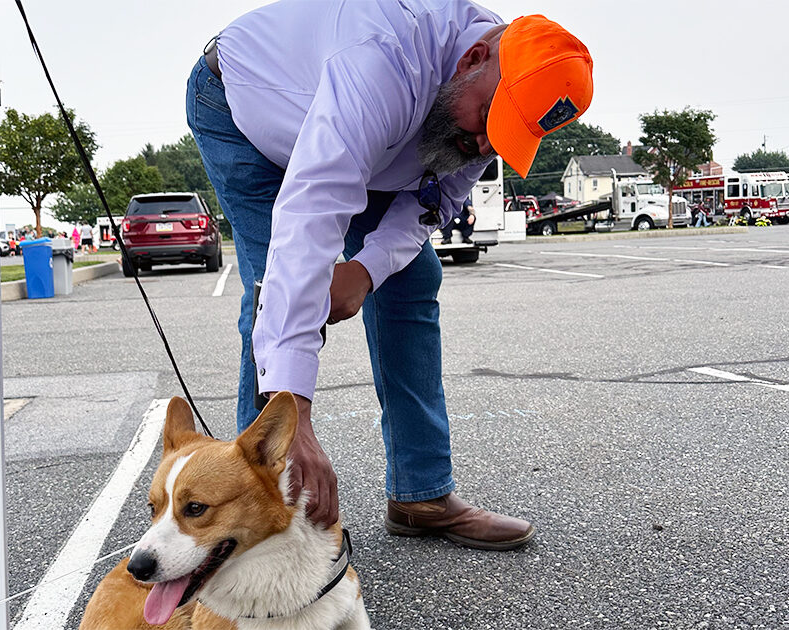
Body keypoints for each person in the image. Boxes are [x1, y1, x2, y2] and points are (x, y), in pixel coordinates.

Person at [189, 1, 593, 551]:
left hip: (373, 138)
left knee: (412, 280)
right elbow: (311, 216)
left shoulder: (488, 101)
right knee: (271, 286)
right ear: (471, 59)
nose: (483, 146)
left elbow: (437, 200)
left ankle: (420, 496)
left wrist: (364, 270)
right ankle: (252, 513)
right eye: (485, 124)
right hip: (247, 108)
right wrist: (295, 410)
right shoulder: (382, 59)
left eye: (503, 136)